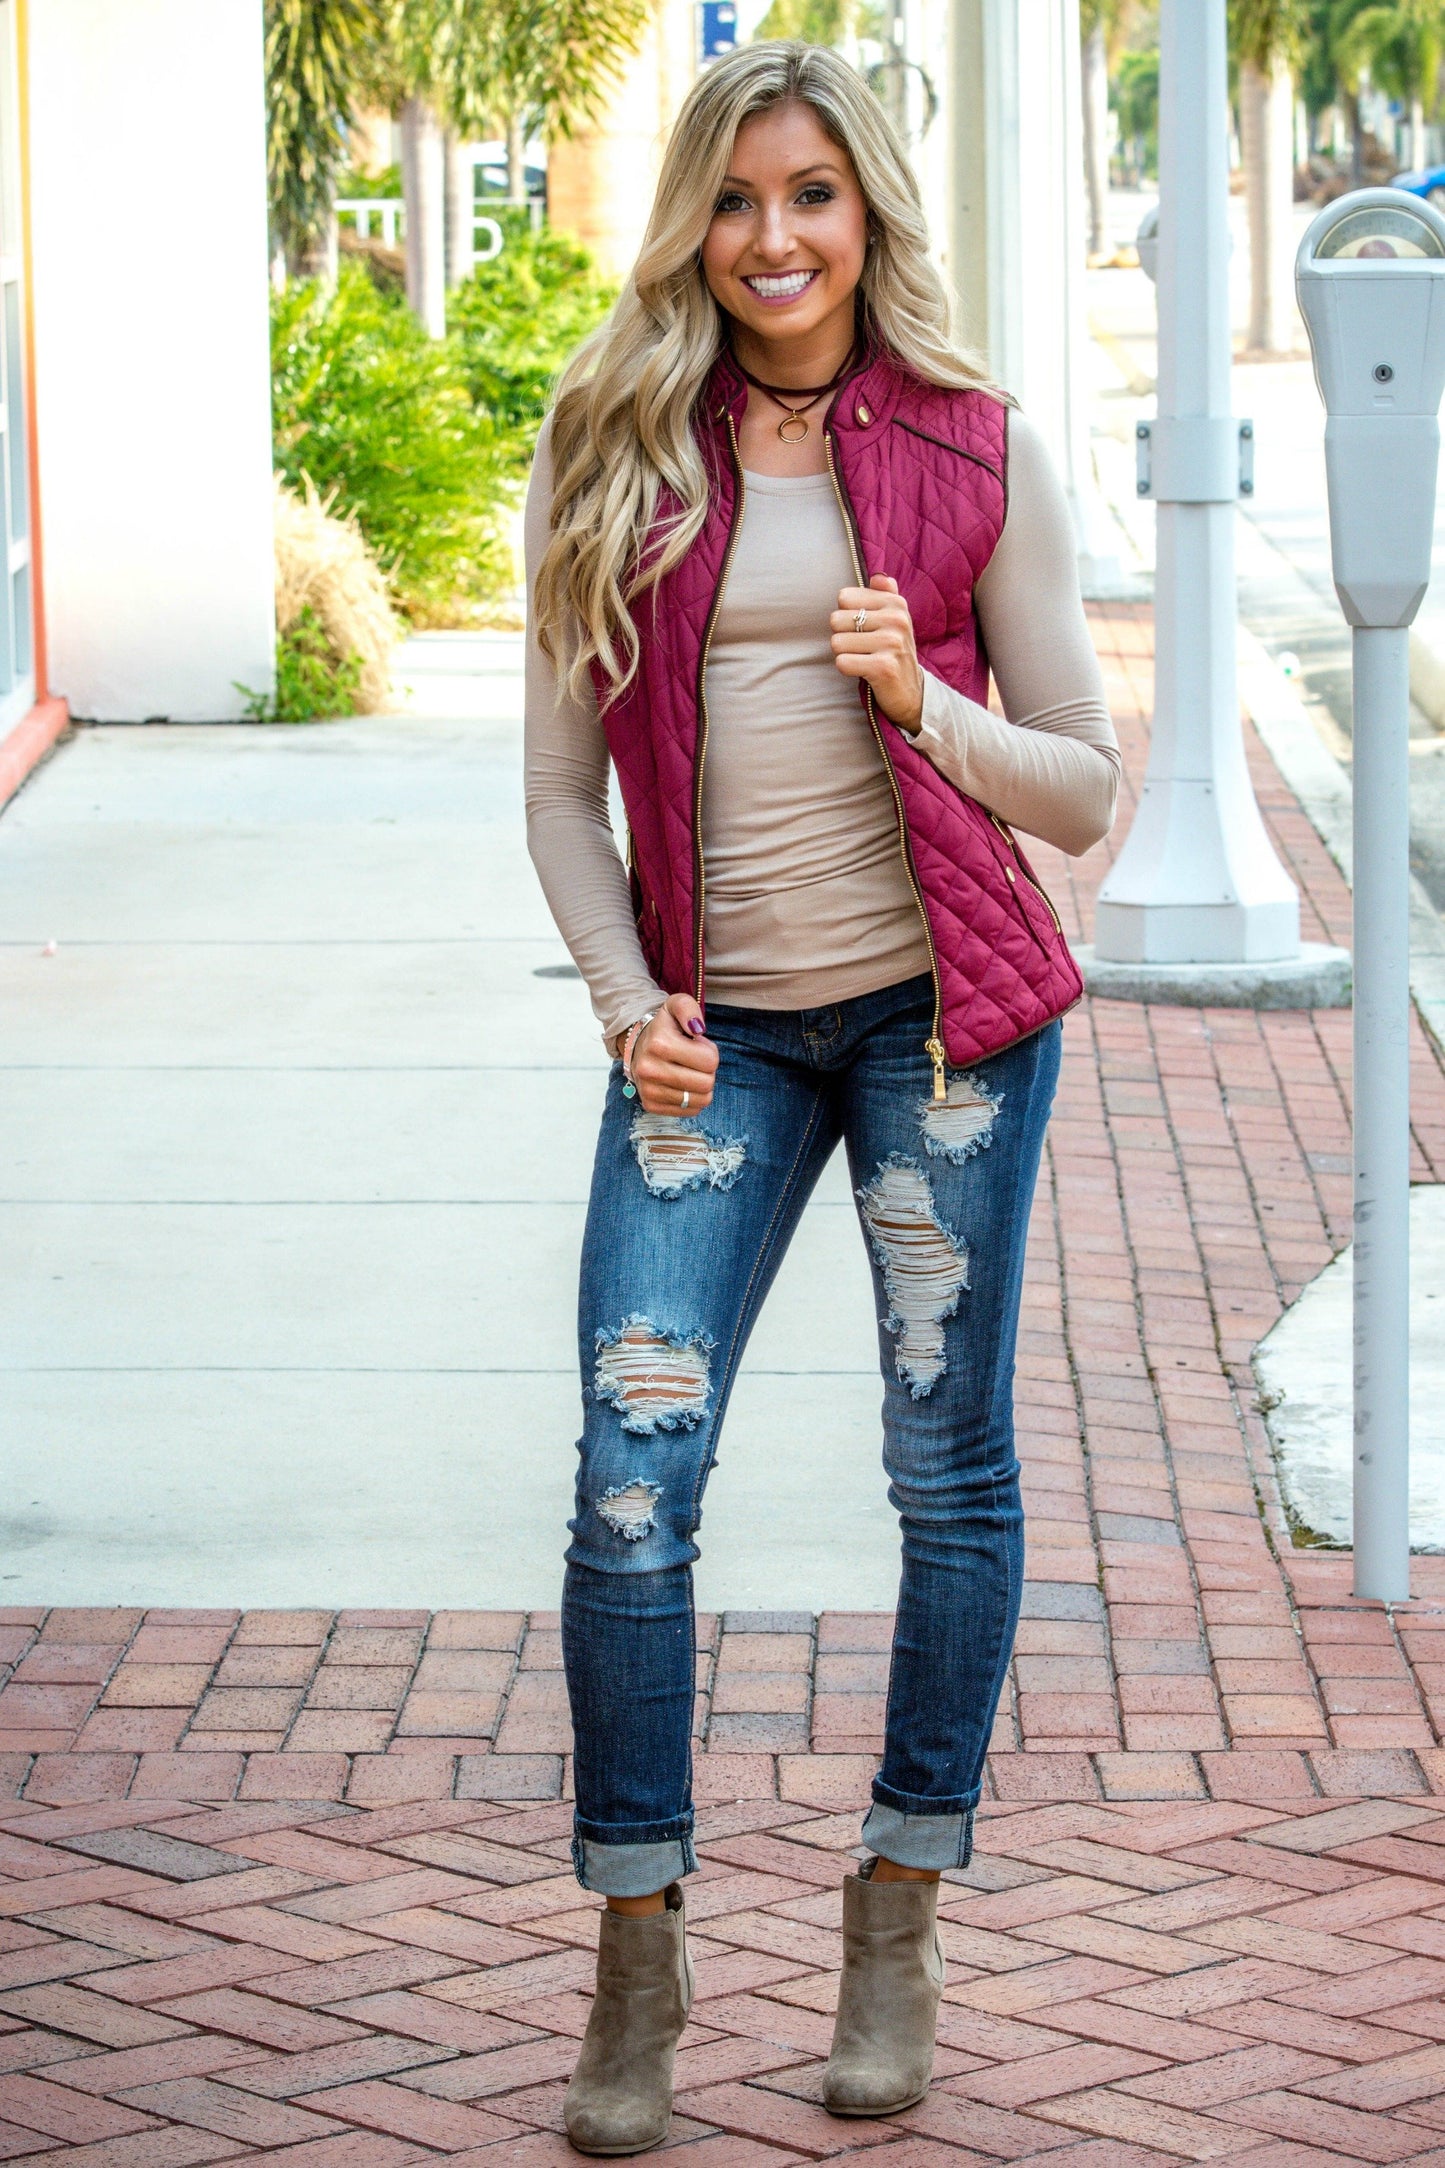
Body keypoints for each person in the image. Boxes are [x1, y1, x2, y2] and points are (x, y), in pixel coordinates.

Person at [525, 39, 1118, 2158]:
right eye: (738, 199)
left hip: (942, 1023)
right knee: (626, 1473)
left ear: (870, 213)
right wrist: (626, 1005)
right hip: (717, 1034)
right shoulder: (612, 443)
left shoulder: (979, 447)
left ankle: (896, 1908)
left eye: (813, 199)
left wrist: (921, 699)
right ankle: (636, 1951)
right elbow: (557, 799)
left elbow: (1086, 775)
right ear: (696, 215)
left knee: (942, 1467)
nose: (774, 241)